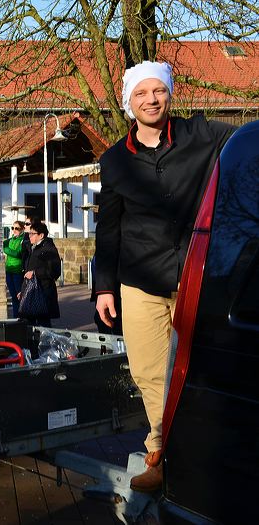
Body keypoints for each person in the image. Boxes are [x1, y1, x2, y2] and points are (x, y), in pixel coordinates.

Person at [94, 61, 235, 492]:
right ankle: (161, 454)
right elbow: (109, 228)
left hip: (200, 275)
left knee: (205, 367)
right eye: (141, 94)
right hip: (140, 279)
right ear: (129, 103)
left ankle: (209, 451)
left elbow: (249, 144)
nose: (151, 99)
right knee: (150, 370)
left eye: (158, 91)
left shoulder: (203, 135)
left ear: (169, 93)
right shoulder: (115, 160)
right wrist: (103, 287)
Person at [18, 221, 60, 327]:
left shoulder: (49, 249)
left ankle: (46, 343)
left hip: (43, 292)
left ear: (41, 235)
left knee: (44, 324)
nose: (29, 236)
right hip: (31, 292)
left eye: (33, 234)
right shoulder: (31, 248)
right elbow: (27, 271)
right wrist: (23, 290)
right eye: (29, 233)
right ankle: (33, 343)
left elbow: (55, 271)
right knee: (29, 324)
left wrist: (35, 272)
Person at [3, 221, 25, 317]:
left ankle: (22, 317)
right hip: (9, 271)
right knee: (13, 296)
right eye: (13, 228)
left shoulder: (23, 240)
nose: (14, 230)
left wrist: (5, 250)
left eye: (17, 228)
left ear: (22, 229)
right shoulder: (11, 239)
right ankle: (16, 317)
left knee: (19, 296)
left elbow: (17, 253)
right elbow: (2, 243)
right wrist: (5, 247)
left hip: (17, 272)